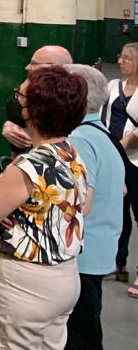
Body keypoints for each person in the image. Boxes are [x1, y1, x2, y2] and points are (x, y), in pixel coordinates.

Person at [0, 66, 89, 350]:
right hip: (65, 277)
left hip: (26, 284)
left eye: (20, 96)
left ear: (33, 110)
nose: (15, 101)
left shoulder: (27, 166)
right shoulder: (72, 154)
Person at [64, 64, 124, 350]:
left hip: (82, 256)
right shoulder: (101, 134)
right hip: (97, 251)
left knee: (79, 335)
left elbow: (80, 204)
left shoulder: (79, 138)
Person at [105, 42, 138, 290]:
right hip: (115, 160)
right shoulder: (113, 86)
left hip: (135, 162)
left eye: (127, 58)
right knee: (119, 213)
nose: (120, 61)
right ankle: (119, 264)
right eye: (121, 56)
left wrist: (126, 142)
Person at [2, 45, 73, 153]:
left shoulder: (72, 97)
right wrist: (11, 125)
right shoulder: (33, 85)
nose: (27, 67)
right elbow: (20, 111)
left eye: (33, 63)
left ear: (53, 67)